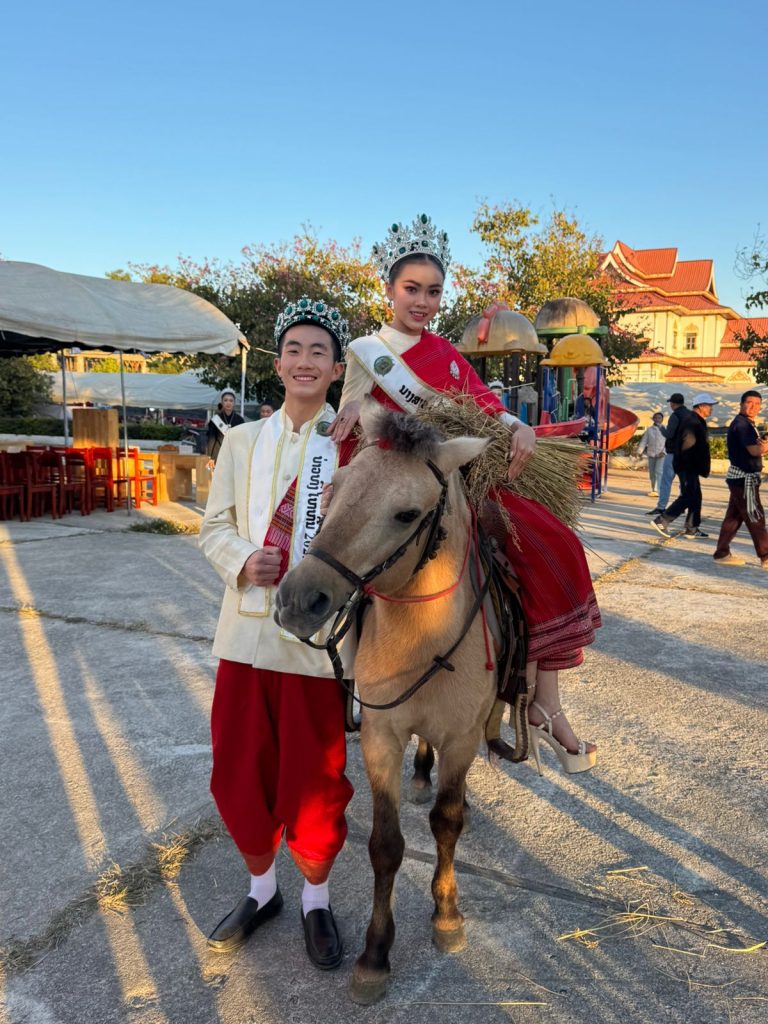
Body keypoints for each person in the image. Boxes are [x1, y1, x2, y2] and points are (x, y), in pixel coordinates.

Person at [330, 214, 600, 774]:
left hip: (457, 478)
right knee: (346, 560)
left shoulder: (448, 355)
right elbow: (348, 426)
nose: (422, 302)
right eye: (412, 289)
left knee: (551, 542)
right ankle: (355, 677)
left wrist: (519, 428)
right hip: (397, 484)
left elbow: (483, 406)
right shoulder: (366, 353)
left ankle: (543, 701)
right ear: (389, 290)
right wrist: (357, 408)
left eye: (433, 291)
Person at [198, 298, 353, 968]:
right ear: (278, 362)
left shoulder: (350, 445)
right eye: (294, 349)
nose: (304, 361)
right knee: (238, 771)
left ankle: (316, 900)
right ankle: (263, 890)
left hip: (314, 646)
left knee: (314, 782)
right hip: (244, 638)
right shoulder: (240, 442)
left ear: (338, 368)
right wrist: (242, 560)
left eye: (319, 351)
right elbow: (213, 527)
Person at [713, 390, 768, 568]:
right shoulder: (742, 424)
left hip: (741, 479)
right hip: (744, 480)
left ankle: (721, 553)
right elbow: (755, 450)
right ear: (741, 404)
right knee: (755, 517)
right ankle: (766, 556)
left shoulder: (747, 423)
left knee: (733, 518)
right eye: (749, 403)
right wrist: (765, 447)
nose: (754, 407)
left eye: (757, 404)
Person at [652, 393, 716, 539]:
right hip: (687, 466)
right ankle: (662, 520)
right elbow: (687, 445)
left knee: (696, 496)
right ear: (701, 406)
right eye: (709, 406)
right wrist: (689, 466)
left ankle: (692, 528)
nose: (711, 409)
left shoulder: (695, 419)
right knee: (688, 495)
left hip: (690, 466)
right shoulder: (691, 421)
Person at [649, 393, 687, 515]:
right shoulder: (690, 415)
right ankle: (682, 506)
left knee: (666, 481)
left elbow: (669, 434)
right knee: (684, 483)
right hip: (686, 454)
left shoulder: (675, 416)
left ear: (673, 403)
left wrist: (661, 428)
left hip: (673, 454)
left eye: (671, 403)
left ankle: (661, 507)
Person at [206, 389, 245, 470]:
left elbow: (242, 440)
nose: (228, 403)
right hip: (218, 454)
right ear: (222, 402)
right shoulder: (215, 419)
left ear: (234, 402)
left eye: (231, 400)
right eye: (225, 400)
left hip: (234, 454)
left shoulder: (240, 420)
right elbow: (211, 439)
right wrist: (209, 456)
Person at [636, 412, 667, 496]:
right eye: (655, 418)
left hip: (661, 455)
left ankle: (657, 490)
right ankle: (653, 489)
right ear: (653, 419)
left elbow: (669, 442)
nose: (657, 419)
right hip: (651, 454)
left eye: (659, 418)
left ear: (662, 419)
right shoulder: (649, 430)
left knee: (658, 471)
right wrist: (639, 451)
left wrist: (664, 452)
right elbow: (644, 441)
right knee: (652, 473)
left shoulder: (665, 429)